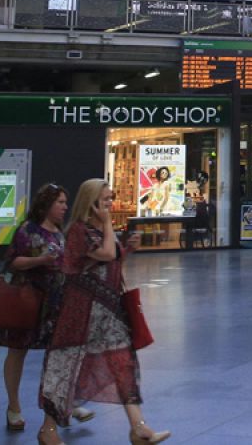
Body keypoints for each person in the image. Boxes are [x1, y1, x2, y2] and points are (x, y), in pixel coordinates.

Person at [39, 179, 169, 445]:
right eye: (105, 199)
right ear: (92, 202)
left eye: (111, 198)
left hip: (108, 312)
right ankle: (48, 430)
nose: (110, 203)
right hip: (80, 312)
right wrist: (109, 224)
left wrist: (128, 248)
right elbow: (108, 253)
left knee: (123, 364)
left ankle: (139, 427)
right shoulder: (78, 231)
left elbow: (112, 262)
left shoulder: (98, 230)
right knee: (65, 368)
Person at [0, 184, 95, 433]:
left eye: (65, 202)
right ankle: (14, 407)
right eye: (60, 202)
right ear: (46, 205)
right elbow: (12, 262)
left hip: (55, 303)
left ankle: (65, 403)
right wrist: (40, 260)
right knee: (17, 352)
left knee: (60, 354)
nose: (65, 207)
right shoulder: (27, 231)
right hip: (27, 301)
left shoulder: (60, 233)